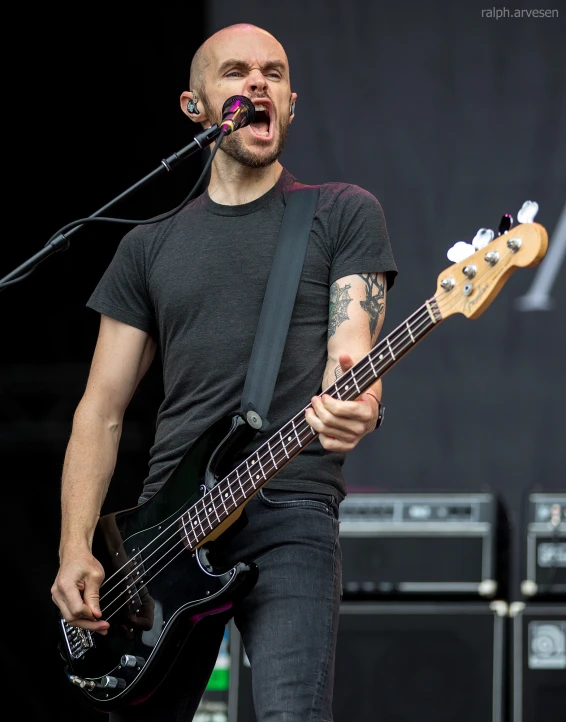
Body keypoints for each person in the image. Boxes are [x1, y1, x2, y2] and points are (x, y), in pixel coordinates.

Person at [50, 22, 397, 722]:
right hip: (163, 529)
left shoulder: (340, 213)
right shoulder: (147, 246)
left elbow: (352, 347)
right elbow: (101, 410)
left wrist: (361, 399)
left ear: (291, 103)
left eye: (273, 72)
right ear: (195, 105)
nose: (257, 83)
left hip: (289, 502)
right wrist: (73, 548)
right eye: (236, 71)